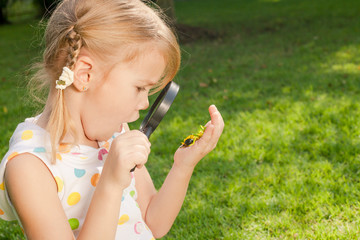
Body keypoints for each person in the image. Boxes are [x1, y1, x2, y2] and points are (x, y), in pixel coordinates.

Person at [0, 0, 224, 239]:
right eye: (139, 88)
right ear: (85, 74)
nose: (145, 103)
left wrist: (183, 166)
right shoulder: (30, 167)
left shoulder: (115, 134)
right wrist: (110, 183)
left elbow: (152, 222)